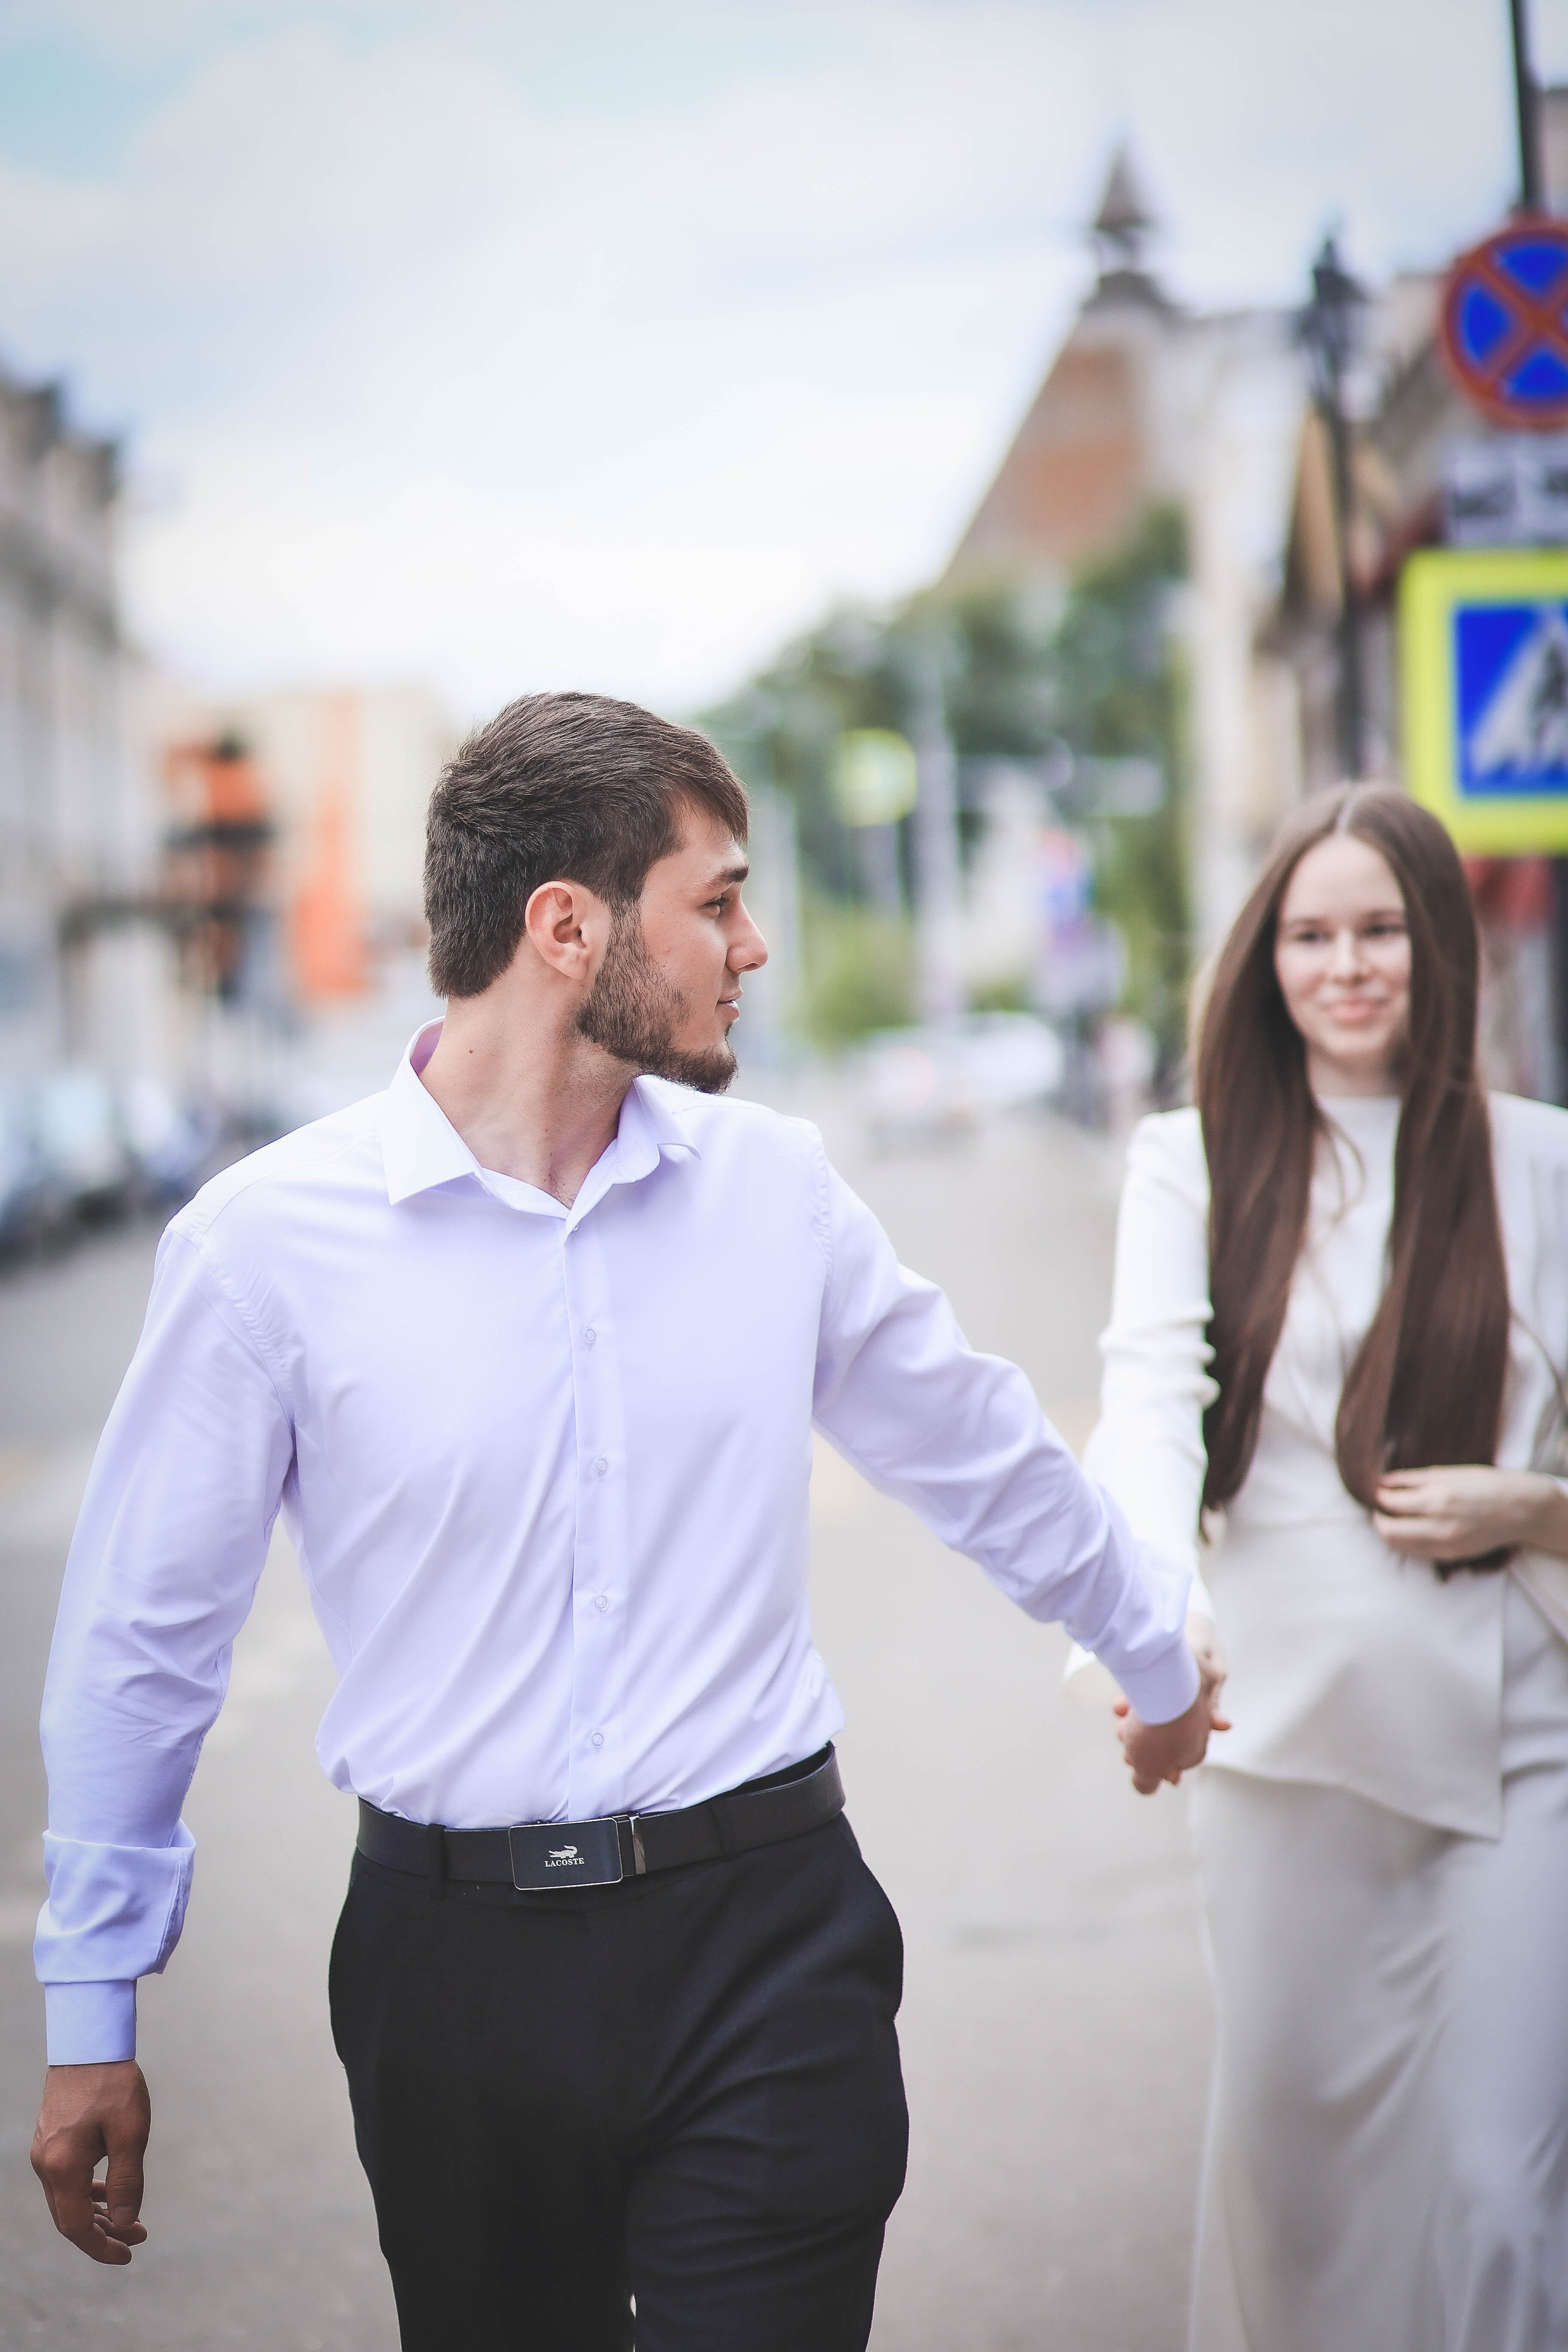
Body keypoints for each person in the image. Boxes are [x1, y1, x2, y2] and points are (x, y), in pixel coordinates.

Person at [30, 692, 1212, 2352]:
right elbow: (141, 1644)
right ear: (568, 928)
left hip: (766, 1935)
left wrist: (1158, 1654)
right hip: (452, 1974)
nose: (757, 944)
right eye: (717, 899)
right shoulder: (262, 1249)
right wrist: (92, 2008)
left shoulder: (776, 1194)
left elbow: (982, 1452)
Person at [1084, 782, 1568, 2352]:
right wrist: (1158, 1634)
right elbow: (1146, 1410)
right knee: (1295, 2194)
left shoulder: (1540, 1165)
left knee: (1501, 2194)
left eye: (1378, 931)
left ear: (1439, 948)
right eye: (1308, 934)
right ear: (1263, 955)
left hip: (1520, 1743)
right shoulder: (1193, 1161)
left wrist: (1529, 1507)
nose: (1345, 966)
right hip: (1283, 1746)